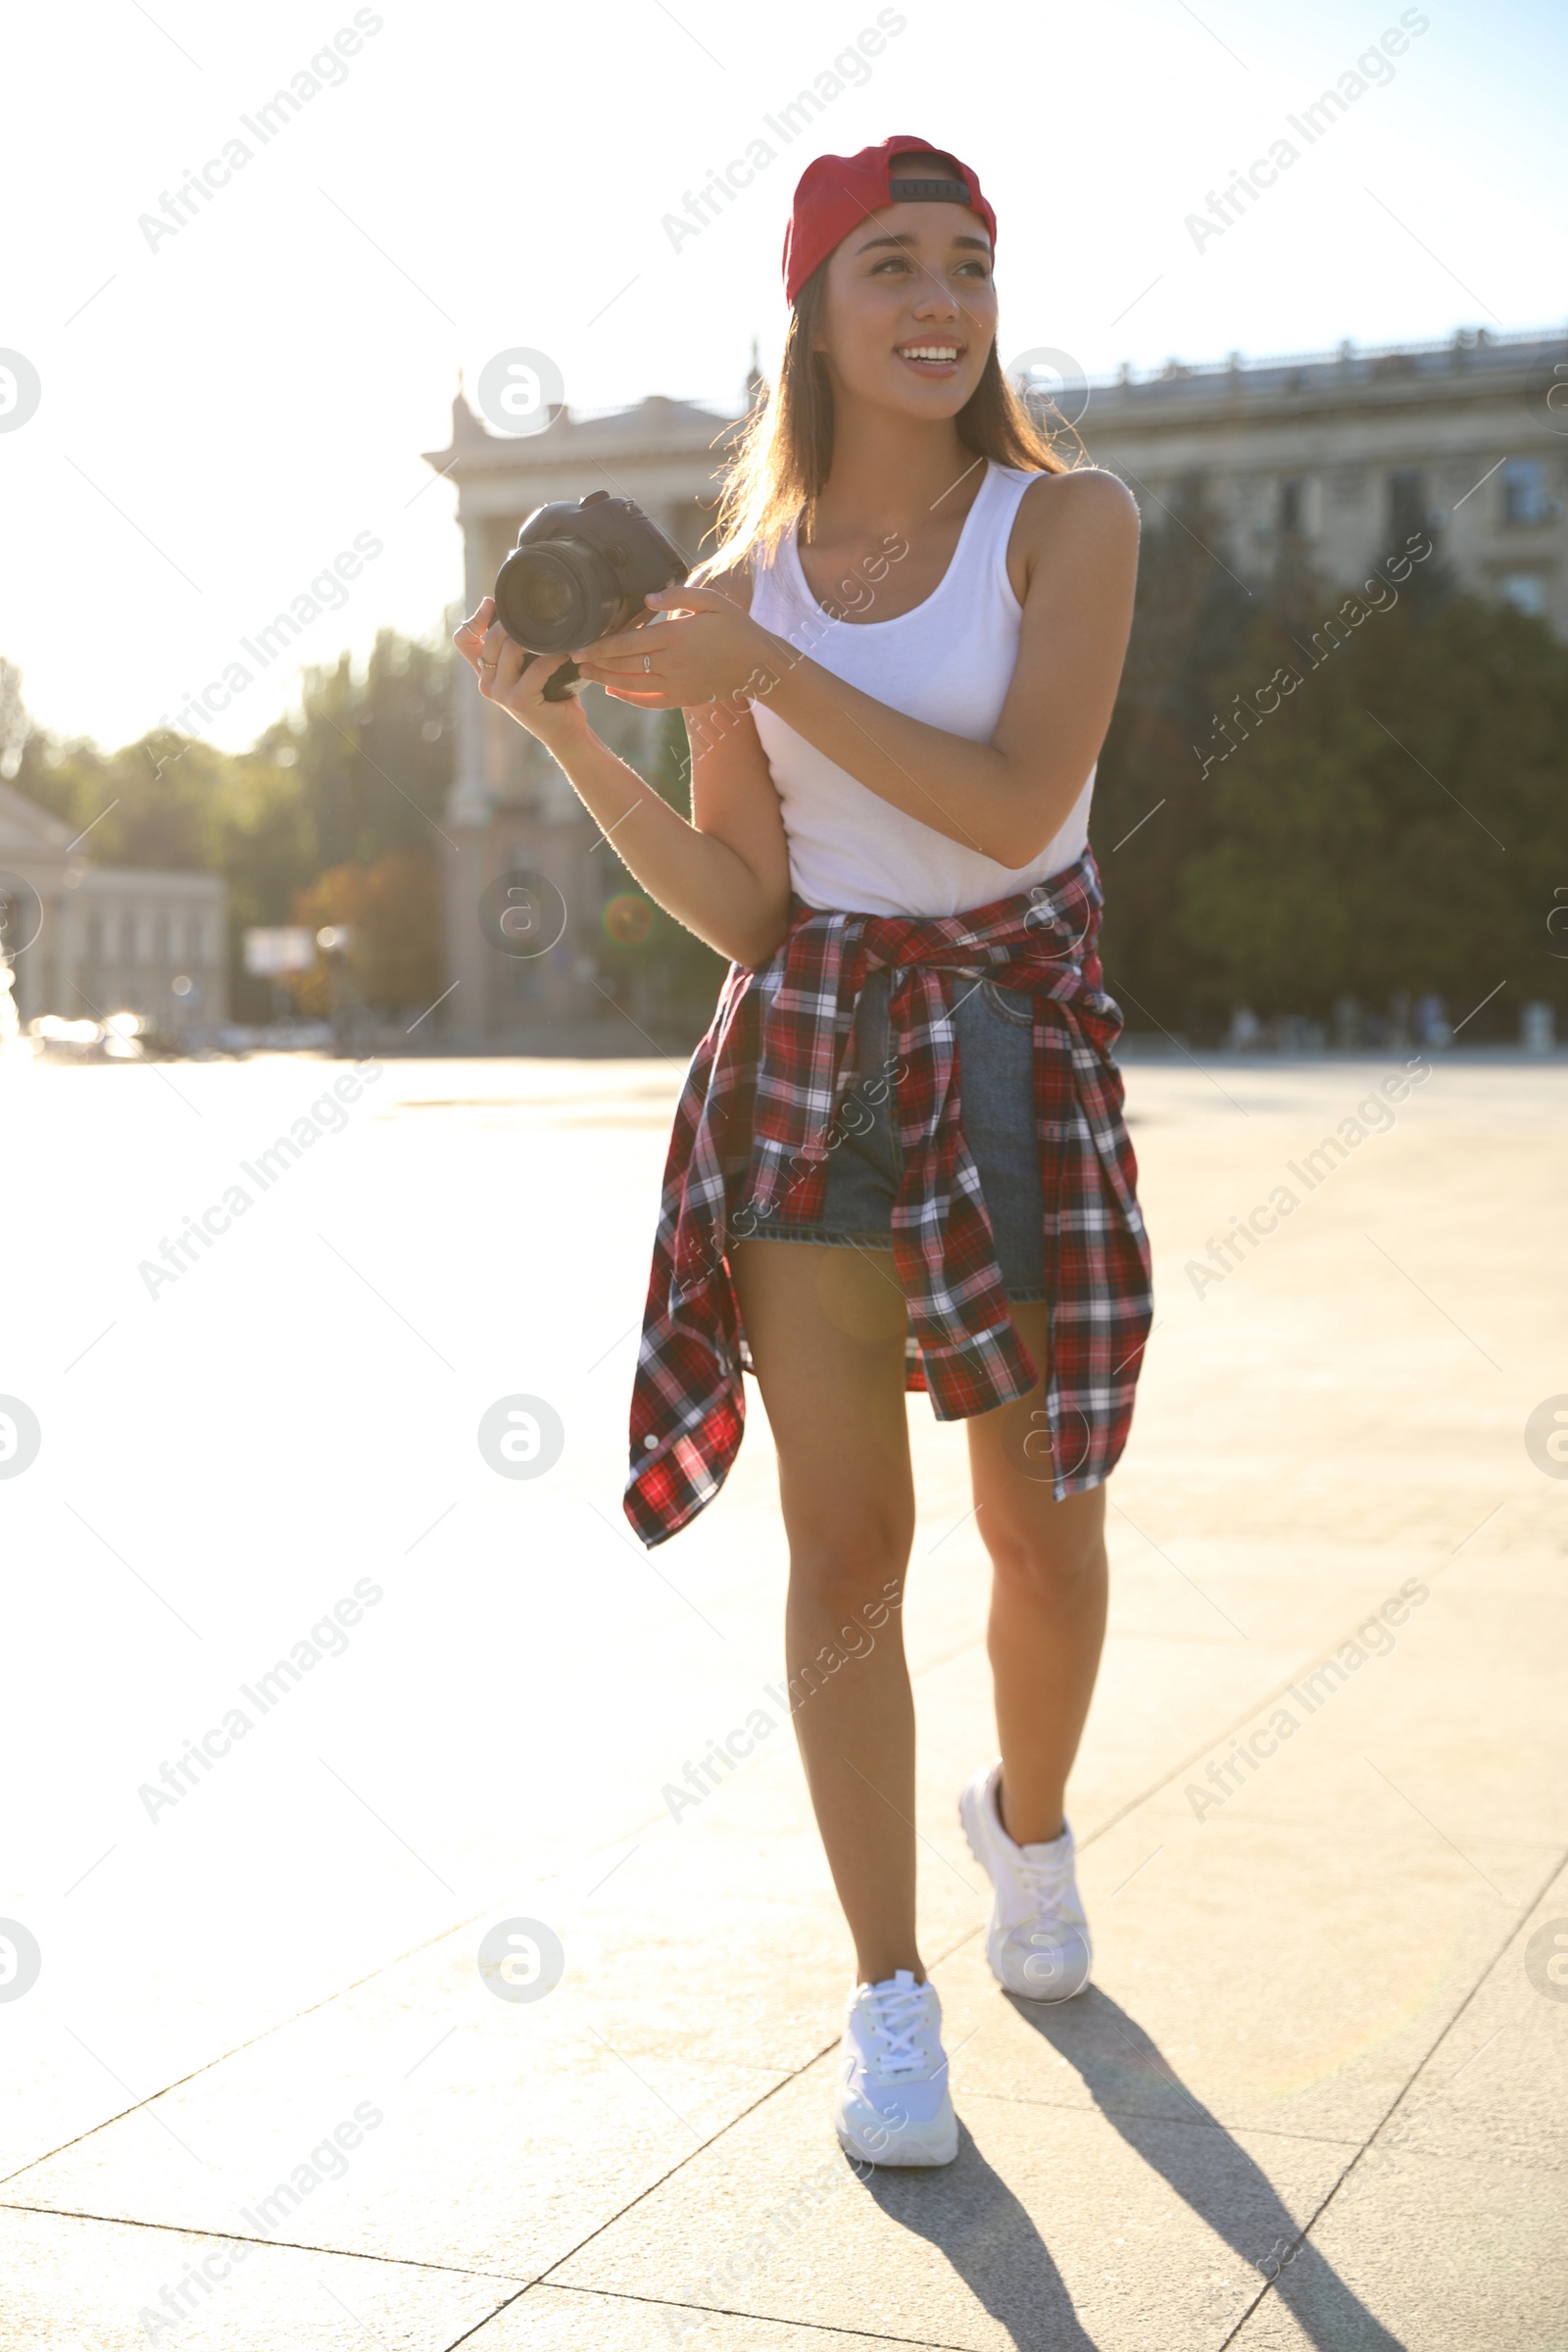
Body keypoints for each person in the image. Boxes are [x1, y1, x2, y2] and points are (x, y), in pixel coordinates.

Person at [455, 135, 1152, 2170]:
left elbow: (1020, 809)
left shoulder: (1063, 523)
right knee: (847, 1551)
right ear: (814, 311)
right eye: (890, 268)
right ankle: (886, 1996)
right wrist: (583, 733)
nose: (939, 302)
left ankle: (1025, 1833)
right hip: (809, 1063)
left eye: (966, 265)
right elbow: (756, 909)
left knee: (1046, 1536)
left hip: (1013, 1052)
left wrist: (761, 674)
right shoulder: (738, 590)